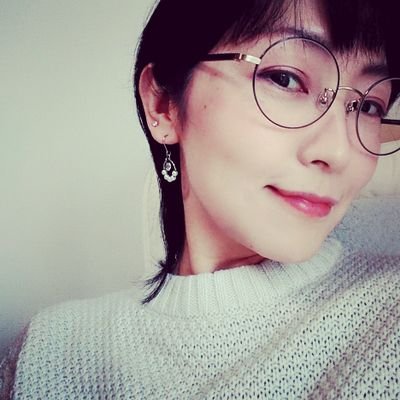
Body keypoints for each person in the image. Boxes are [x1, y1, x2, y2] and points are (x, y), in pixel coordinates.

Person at [1, 0, 400, 398]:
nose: (339, 152)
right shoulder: (45, 352)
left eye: (369, 106)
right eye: (285, 79)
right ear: (163, 105)